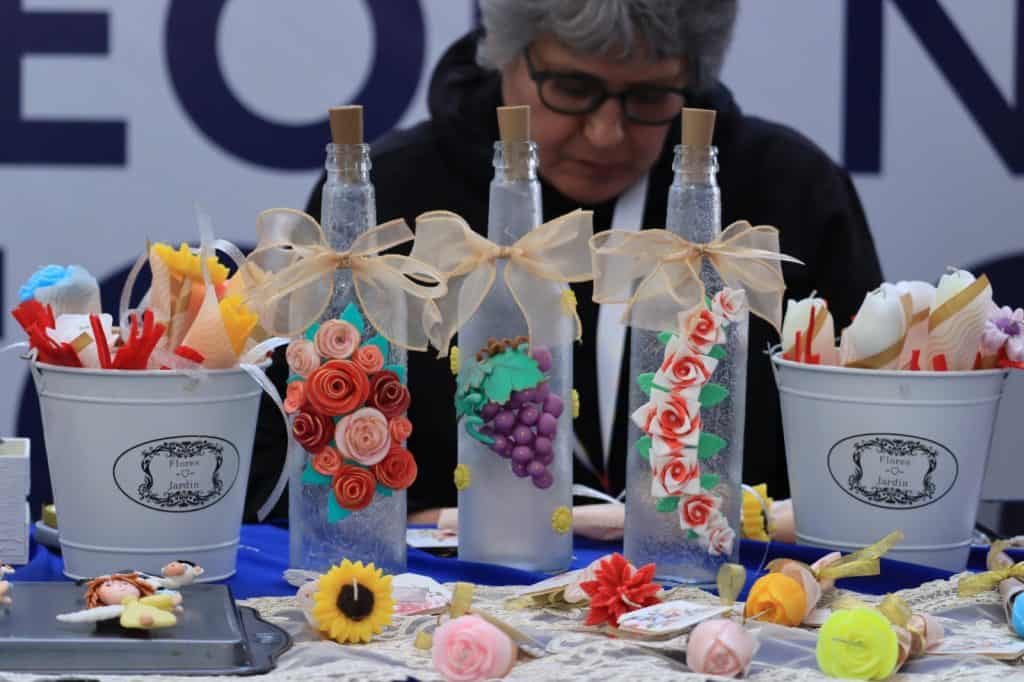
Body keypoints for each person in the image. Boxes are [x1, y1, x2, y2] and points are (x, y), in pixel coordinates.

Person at [245, 0, 882, 524]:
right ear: (506, 54)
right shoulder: (393, 195)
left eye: (650, 97)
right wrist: (407, 522)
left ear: (694, 78)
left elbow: (864, 449)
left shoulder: (789, 193)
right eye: (572, 88)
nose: (606, 133)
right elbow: (278, 465)